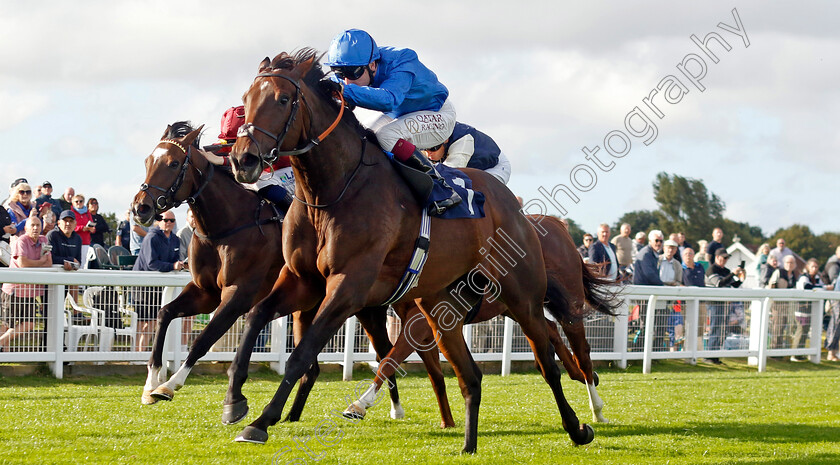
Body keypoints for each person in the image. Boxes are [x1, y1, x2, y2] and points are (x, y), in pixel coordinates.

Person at [325, 28, 461, 214]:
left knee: (386, 135)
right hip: (401, 114)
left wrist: (343, 90)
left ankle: (440, 189)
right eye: (340, 73)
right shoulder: (359, 65)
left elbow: (390, 99)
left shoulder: (403, 59)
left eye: (353, 73)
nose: (347, 80)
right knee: (363, 136)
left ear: (372, 64)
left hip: (438, 114)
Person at [133, 211, 184, 351]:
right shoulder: (151, 237)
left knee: (153, 322)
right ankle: (137, 355)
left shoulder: (174, 239)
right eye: (165, 219)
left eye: (172, 220)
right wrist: (172, 266)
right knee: (144, 322)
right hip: (144, 286)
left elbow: (174, 259)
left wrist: (179, 265)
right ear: (158, 220)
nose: (168, 222)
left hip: (160, 287)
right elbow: (151, 264)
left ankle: (141, 354)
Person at [0, 217, 52, 352]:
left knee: (29, 324)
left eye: (38, 225)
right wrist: (41, 262)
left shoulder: (44, 240)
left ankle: (1, 343)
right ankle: (5, 356)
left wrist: (36, 262)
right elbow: (23, 263)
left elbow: (49, 263)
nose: (35, 228)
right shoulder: (21, 240)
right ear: (26, 228)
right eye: (32, 225)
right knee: (7, 325)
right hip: (14, 289)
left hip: (31, 291)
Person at [419, 121, 511, 185]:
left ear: (445, 139)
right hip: (471, 167)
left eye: (433, 148)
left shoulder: (462, 141)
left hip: (495, 168)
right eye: (424, 149)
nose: (428, 154)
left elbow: (449, 174)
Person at [704, 248, 745, 364]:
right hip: (713, 303)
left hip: (724, 303)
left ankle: (715, 356)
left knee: (722, 329)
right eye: (724, 257)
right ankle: (709, 356)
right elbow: (719, 284)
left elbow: (734, 285)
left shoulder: (725, 270)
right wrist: (732, 273)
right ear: (717, 257)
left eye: (727, 258)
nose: (726, 260)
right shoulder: (711, 269)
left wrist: (741, 277)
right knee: (715, 328)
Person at [791, 258, 825, 361]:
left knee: (805, 331)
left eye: (816, 267)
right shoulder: (803, 277)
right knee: (801, 329)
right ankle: (795, 354)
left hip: (811, 309)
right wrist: (818, 288)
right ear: (808, 267)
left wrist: (818, 288)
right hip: (802, 308)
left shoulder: (817, 277)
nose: (814, 269)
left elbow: (821, 287)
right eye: (812, 266)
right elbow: (807, 287)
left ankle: (800, 353)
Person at [70, 195, 95, 269]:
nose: (78, 203)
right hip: (74, 241)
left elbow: (92, 226)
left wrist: (91, 229)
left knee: (84, 263)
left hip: (85, 242)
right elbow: (70, 227)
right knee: (75, 262)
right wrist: (81, 228)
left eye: (81, 201)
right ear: (73, 202)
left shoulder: (87, 213)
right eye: (76, 201)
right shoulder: (71, 213)